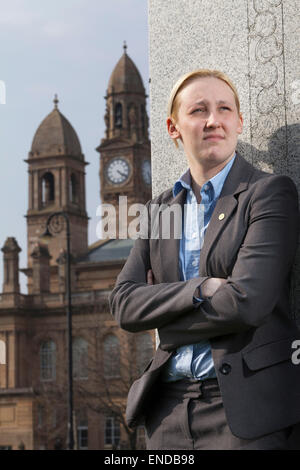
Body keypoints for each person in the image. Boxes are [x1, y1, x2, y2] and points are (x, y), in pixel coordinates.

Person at [109, 69, 300, 450]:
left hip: (245, 414)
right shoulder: (160, 209)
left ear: (239, 122)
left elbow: (247, 303)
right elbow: (124, 304)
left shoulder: (267, 194)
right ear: (173, 127)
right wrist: (202, 288)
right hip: (167, 412)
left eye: (224, 109)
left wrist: (167, 322)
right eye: (199, 110)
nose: (213, 120)